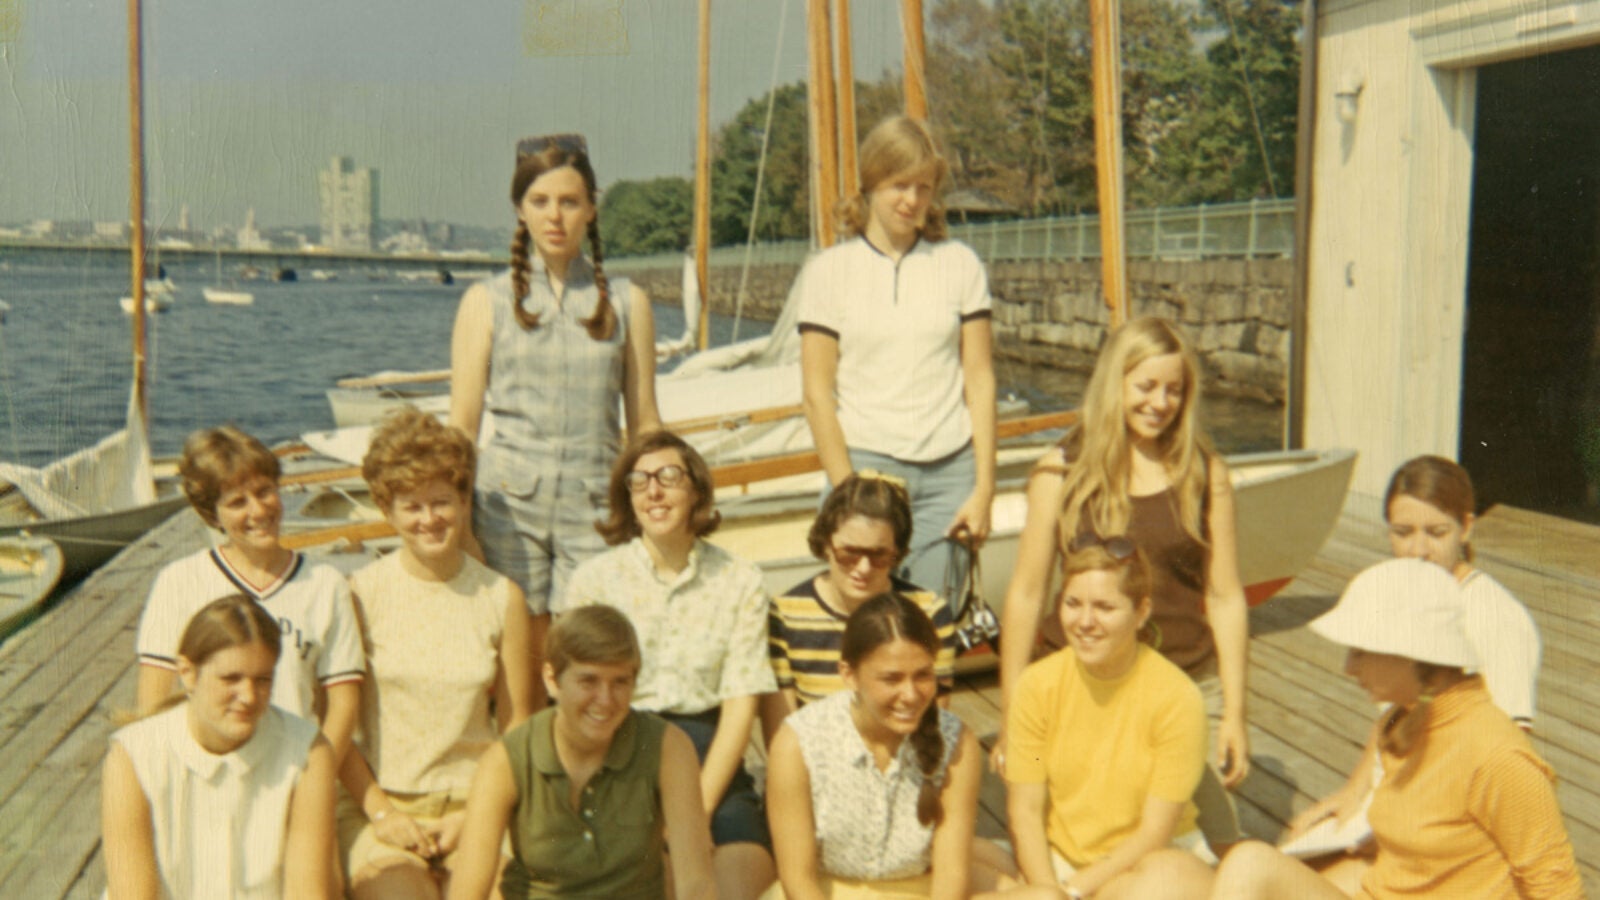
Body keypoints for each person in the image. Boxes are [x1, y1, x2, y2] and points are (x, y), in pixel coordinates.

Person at [1209, 558, 1582, 898]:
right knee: (1182, 873)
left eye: (1360, 651)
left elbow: (1557, 887)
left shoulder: (1495, 755)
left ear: (1410, 653)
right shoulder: (1403, 722)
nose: (1348, 668)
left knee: (1249, 866)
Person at [995, 317, 1251, 809]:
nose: (1160, 403)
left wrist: (1236, 714)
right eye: (1146, 386)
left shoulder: (1205, 473)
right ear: (1115, 382)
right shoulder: (1059, 472)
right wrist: (1012, 715)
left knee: (1190, 834)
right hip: (1085, 684)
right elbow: (1026, 595)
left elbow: (1225, 597)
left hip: (1184, 680)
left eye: (1174, 390)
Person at [1280, 455, 1544, 890]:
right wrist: (1353, 791)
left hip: (1442, 834)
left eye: (1436, 533)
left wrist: (1400, 831)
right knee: (1276, 865)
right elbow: (1393, 713)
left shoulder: (1496, 618)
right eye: (1402, 533)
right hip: (1387, 806)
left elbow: (1508, 762)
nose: (1418, 551)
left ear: (1466, 527)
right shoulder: (1404, 596)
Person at [449, 132, 661, 633]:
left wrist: (659, 502)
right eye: (540, 201)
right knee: (517, 649)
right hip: (506, 511)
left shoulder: (629, 303)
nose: (555, 216)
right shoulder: (485, 302)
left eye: (569, 201)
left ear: (591, 208)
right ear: (520, 210)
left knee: (587, 647)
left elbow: (646, 424)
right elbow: (462, 426)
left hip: (597, 509)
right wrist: (460, 520)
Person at [557, 430, 778, 899]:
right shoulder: (594, 582)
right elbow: (576, 707)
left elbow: (740, 710)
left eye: (669, 477)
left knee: (736, 885)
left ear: (696, 490)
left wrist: (695, 814)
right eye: (639, 481)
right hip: (618, 760)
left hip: (710, 763)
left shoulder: (740, 580)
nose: (653, 491)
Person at [338, 408, 539, 900]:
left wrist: (475, 816)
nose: (429, 519)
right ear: (387, 511)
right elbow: (337, 726)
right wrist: (383, 814)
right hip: (385, 805)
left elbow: (517, 726)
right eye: (412, 506)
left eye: (442, 502)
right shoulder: (360, 595)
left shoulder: (501, 597)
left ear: (464, 501)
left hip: (478, 801)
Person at [797, 114, 997, 600]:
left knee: (933, 618)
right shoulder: (829, 271)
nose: (912, 200)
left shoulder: (960, 264)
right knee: (864, 618)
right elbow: (817, 394)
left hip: (949, 473)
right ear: (871, 184)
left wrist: (985, 489)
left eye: (923, 187)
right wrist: (847, 494)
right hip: (865, 467)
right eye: (899, 185)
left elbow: (980, 379)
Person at [764, 593, 1060, 900]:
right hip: (828, 890)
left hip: (918, 886)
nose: (911, 695)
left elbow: (950, 877)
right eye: (891, 679)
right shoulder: (799, 742)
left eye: (922, 675)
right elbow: (798, 880)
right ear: (849, 675)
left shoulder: (956, 742)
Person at [448, 604, 717, 900]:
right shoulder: (508, 759)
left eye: (620, 682)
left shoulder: (666, 746)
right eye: (588, 681)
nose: (605, 700)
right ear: (552, 679)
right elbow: (467, 892)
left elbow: (696, 884)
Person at [135, 425, 364, 768]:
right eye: (237, 502)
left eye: (264, 491)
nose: (258, 511)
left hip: (294, 769)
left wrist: (314, 776)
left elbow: (342, 704)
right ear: (212, 515)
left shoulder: (325, 583)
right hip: (206, 770)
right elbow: (153, 702)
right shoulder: (179, 581)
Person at [1006, 541, 1215, 899]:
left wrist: (1074, 892)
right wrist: (1047, 891)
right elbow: (1025, 810)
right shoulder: (1036, 685)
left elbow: (1154, 833)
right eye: (1073, 603)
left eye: (1104, 607)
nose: (1085, 622)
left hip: (1150, 863)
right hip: (1061, 863)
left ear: (1141, 612)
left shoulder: (1177, 698)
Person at [103, 595, 337, 899]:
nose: (249, 696)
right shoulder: (131, 755)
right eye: (231, 679)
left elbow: (306, 892)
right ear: (187, 673)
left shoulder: (308, 752)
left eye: (263, 680)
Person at [763, 472, 958, 742]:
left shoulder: (930, 613)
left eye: (879, 555)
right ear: (826, 544)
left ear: (897, 553)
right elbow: (782, 735)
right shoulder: (785, 615)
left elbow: (931, 728)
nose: (863, 568)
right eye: (849, 553)